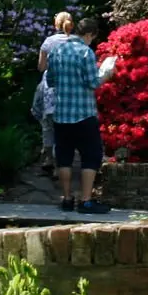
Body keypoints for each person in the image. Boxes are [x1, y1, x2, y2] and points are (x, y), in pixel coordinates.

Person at [46, 16, 117, 214]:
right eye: (92, 38)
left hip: (61, 114)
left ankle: (67, 199)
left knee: (64, 157)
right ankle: (86, 201)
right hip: (83, 114)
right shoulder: (85, 53)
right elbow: (93, 83)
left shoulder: (56, 51)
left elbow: (50, 80)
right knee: (91, 156)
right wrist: (106, 74)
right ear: (88, 34)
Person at [30, 12, 77, 177]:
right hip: (70, 89)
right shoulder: (76, 42)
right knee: (63, 128)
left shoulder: (49, 42)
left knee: (48, 124)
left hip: (50, 87)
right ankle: (60, 166)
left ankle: (48, 158)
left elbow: (41, 67)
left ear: (55, 24)